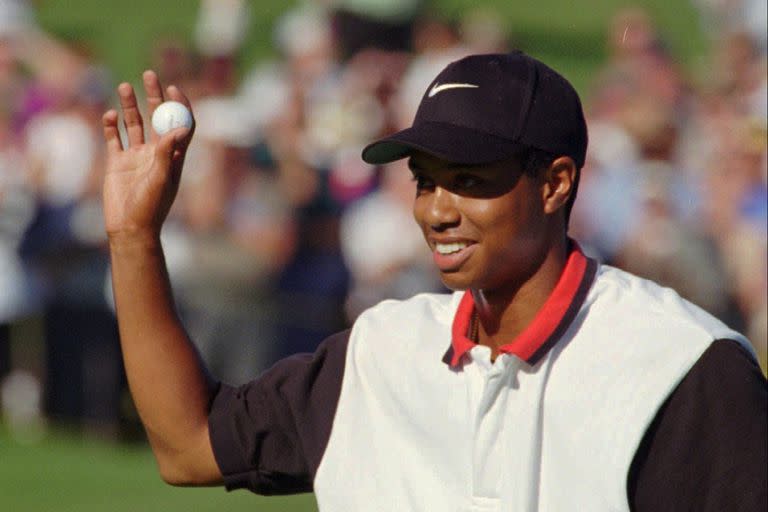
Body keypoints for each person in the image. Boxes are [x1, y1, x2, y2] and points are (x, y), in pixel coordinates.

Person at [102, 52, 767, 511]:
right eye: (425, 180)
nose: (437, 209)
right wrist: (133, 240)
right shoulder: (378, 351)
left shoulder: (683, 365)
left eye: (471, 180)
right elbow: (187, 445)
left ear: (556, 184)